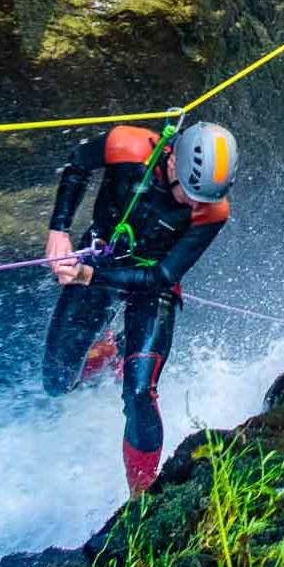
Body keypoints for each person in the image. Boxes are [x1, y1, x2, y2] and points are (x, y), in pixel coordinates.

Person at [42, 121, 238, 496]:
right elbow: (78, 163)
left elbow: (163, 276)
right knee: (55, 384)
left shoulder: (212, 210)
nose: (196, 205)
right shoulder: (126, 145)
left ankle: (141, 498)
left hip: (151, 284)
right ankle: (106, 353)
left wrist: (88, 276)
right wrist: (59, 230)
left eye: (205, 199)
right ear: (172, 164)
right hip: (100, 255)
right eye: (191, 194)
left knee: (139, 392)